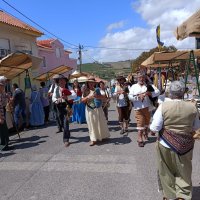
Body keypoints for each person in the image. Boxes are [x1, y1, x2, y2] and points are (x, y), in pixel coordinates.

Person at [150, 81, 200, 200]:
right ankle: (182, 196)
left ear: (170, 93)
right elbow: (196, 127)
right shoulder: (192, 107)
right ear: (183, 93)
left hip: (165, 144)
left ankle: (170, 195)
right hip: (186, 145)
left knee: (166, 170)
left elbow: (155, 127)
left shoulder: (163, 106)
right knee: (184, 171)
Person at [129, 72, 160, 147]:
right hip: (138, 108)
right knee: (140, 123)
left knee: (146, 123)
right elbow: (130, 97)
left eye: (143, 77)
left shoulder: (149, 85)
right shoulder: (133, 86)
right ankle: (140, 138)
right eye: (140, 77)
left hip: (148, 108)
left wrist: (149, 93)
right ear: (137, 78)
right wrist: (138, 97)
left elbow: (158, 92)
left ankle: (145, 133)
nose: (141, 79)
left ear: (145, 78)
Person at [81, 77, 110, 146]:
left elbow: (105, 98)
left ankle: (102, 136)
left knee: (100, 122)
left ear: (94, 83)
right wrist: (88, 97)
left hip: (98, 109)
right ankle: (93, 139)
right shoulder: (85, 91)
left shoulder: (98, 90)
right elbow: (82, 101)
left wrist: (98, 97)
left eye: (92, 82)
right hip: (89, 109)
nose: (91, 84)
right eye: (89, 82)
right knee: (91, 124)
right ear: (87, 83)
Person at [52, 77, 72, 147]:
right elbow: (53, 98)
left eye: (63, 81)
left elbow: (74, 95)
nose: (62, 82)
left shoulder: (69, 87)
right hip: (59, 106)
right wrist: (57, 100)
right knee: (61, 122)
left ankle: (66, 140)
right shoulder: (56, 89)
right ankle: (67, 132)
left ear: (65, 82)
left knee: (66, 122)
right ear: (58, 82)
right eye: (60, 81)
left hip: (67, 106)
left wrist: (67, 97)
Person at [0, 81, 11, 151]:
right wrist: (0, 118)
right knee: (3, 130)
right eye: (2, 86)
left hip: (2, 113)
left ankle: (4, 145)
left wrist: (8, 96)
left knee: (3, 130)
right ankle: (4, 146)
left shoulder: (2, 93)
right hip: (1, 115)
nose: (3, 87)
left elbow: (6, 96)